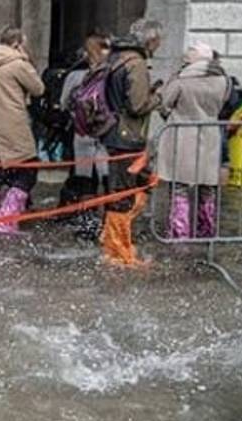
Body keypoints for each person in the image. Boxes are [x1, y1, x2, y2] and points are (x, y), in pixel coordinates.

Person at [100, 18, 164, 265]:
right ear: (151, 39)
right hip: (128, 137)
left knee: (130, 188)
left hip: (116, 133)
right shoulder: (135, 63)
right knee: (123, 194)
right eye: (159, 40)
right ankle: (117, 252)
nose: (159, 45)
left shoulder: (117, 57)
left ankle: (113, 241)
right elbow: (137, 106)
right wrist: (158, 98)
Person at [0, 27, 45, 235]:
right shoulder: (18, 64)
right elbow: (39, 89)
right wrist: (28, 61)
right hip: (17, 125)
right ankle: (6, 220)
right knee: (28, 171)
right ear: (17, 44)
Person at [157, 42, 230, 239]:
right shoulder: (224, 79)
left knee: (179, 186)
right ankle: (207, 230)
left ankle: (179, 232)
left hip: (181, 137)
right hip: (211, 136)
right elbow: (225, 103)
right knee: (208, 186)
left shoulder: (182, 79)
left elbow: (164, 103)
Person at [59, 34, 111, 237]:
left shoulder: (75, 76)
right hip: (106, 136)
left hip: (81, 135)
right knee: (108, 181)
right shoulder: (112, 73)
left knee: (85, 181)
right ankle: (108, 225)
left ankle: (87, 225)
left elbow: (64, 103)